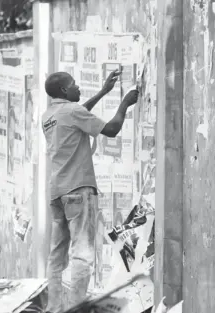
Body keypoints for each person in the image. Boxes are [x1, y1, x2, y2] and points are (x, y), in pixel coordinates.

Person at [41, 70, 139, 312]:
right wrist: (124, 103)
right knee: (82, 254)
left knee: (56, 256)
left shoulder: (50, 115)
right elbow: (112, 129)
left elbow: (78, 112)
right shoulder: (72, 112)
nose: (78, 88)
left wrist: (103, 92)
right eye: (74, 85)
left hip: (57, 193)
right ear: (64, 91)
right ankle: (75, 308)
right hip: (77, 191)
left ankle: (54, 308)